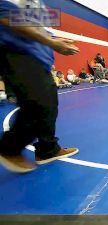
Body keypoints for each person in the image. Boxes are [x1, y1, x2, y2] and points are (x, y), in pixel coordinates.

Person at [0, 0, 80, 172]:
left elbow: (37, 26)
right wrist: (52, 43)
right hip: (19, 55)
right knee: (38, 105)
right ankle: (9, 149)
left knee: (50, 105)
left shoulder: (37, 3)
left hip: (40, 60)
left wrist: (54, 38)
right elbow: (7, 18)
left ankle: (48, 149)